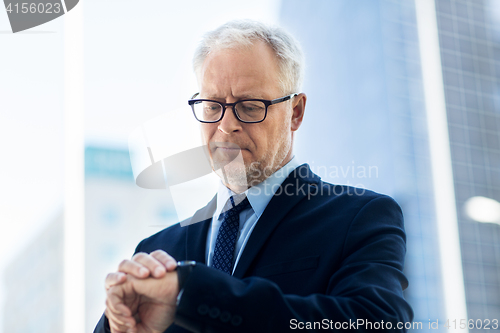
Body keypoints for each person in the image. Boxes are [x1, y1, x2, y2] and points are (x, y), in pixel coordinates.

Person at [94, 20, 413, 333]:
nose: (226, 125)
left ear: (296, 112)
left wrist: (192, 291)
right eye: (212, 106)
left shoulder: (360, 219)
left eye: (249, 106)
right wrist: (117, 325)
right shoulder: (156, 250)